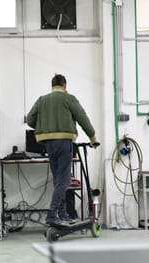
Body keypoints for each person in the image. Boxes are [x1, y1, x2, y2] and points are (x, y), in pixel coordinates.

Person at [27, 73, 98, 226]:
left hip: (48, 144)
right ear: (65, 86)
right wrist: (93, 138)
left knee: (58, 180)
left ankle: (63, 214)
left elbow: (30, 119)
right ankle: (52, 214)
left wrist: (43, 126)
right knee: (64, 180)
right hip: (64, 143)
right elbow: (82, 117)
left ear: (52, 86)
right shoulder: (69, 98)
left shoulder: (42, 100)